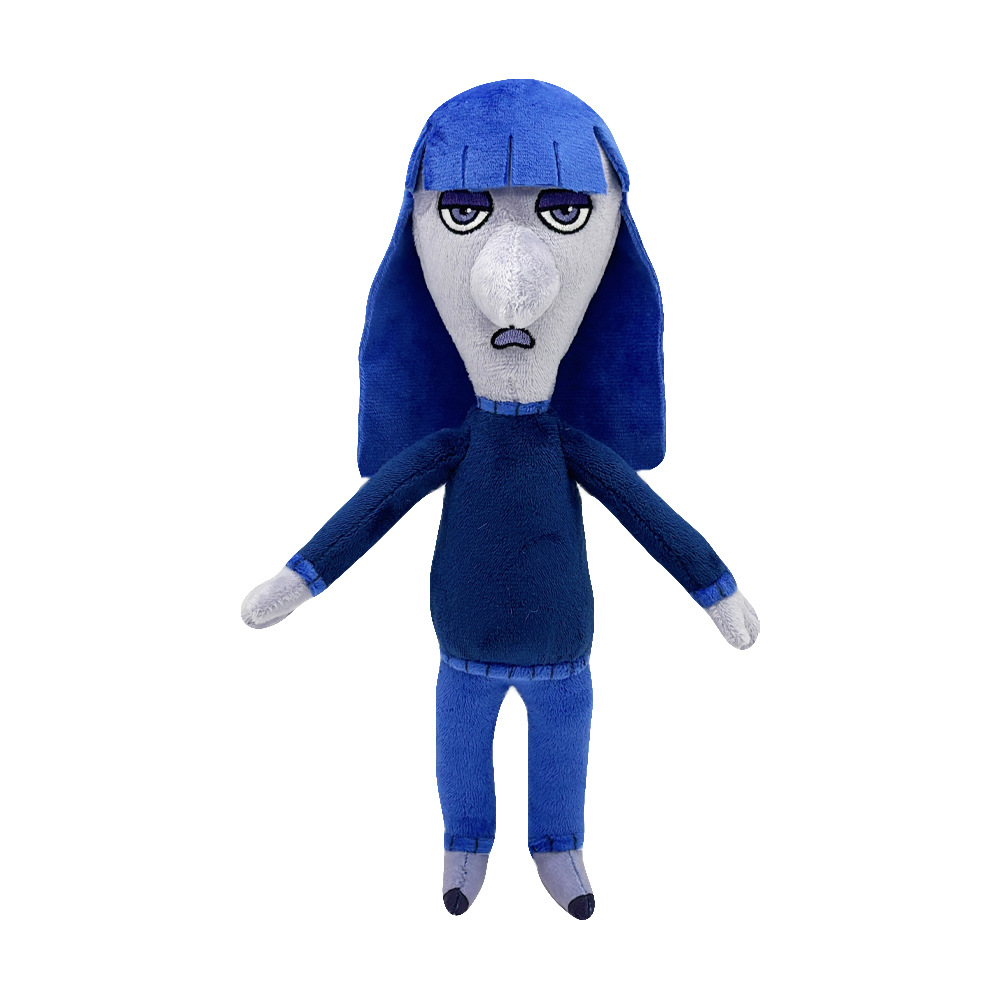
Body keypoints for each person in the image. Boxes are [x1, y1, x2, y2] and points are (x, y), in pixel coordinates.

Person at [242, 79, 759, 920]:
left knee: (562, 753)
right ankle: (466, 843)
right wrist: (298, 579)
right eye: (462, 213)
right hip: (465, 645)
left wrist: (716, 589)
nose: (511, 275)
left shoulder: (569, 447)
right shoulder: (454, 446)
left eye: (564, 211)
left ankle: (558, 844)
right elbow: (373, 514)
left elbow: (649, 517)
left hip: (562, 648)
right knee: (461, 752)